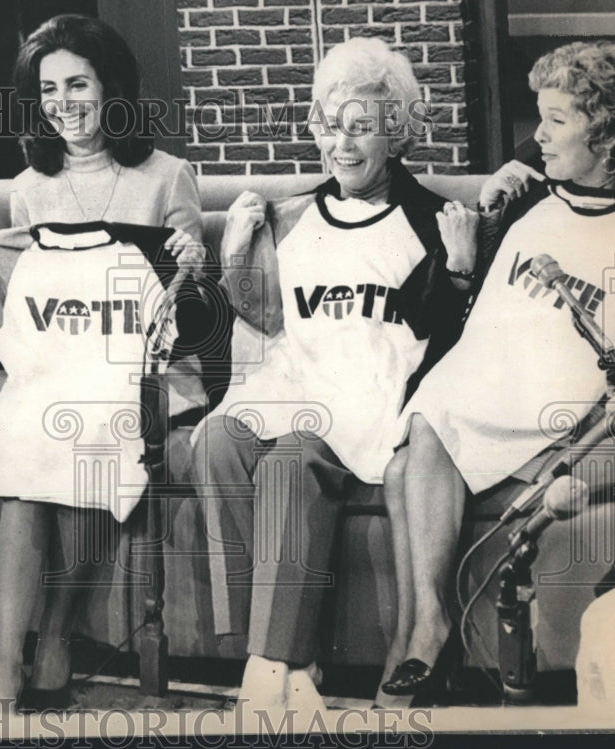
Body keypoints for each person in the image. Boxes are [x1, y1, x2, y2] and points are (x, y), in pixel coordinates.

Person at [189, 37, 478, 719]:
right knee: (214, 438)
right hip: (297, 376)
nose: (342, 144)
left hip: (368, 391)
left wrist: (460, 271)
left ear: (396, 134)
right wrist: (234, 256)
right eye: (331, 124)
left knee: (290, 457)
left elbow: (440, 336)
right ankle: (280, 657)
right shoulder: (292, 215)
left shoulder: (430, 219)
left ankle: (274, 665)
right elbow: (264, 316)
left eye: (362, 127)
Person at [379, 42, 615, 705]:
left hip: (559, 403)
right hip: (485, 389)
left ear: (611, 129)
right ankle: (424, 633)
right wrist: (484, 221)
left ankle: (421, 641)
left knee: (414, 449)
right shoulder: (524, 198)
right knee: (426, 424)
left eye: (557, 120)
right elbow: (457, 318)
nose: (537, 135)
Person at [0, 14, 207, 711]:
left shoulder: (169, 176)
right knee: (26, 447)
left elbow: (193, 314)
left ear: (111, 86)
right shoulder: (28, 191)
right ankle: (5, 663)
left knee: (91, 425)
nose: (64, 103)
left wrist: (193, 263)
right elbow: (22, 312)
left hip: (145, 372)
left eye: (78, 82)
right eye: (49, 89)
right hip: (59, 365)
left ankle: (55, 637)